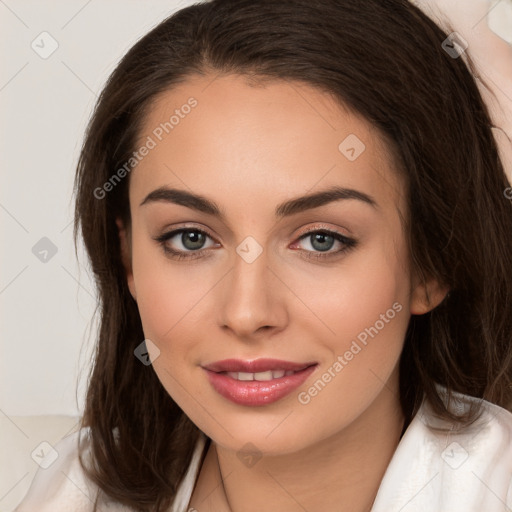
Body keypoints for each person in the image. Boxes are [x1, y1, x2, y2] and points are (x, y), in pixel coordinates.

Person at [15, 0, 512, 510]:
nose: (247, 313)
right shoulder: (75, 486)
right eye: (190, 238)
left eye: (322, 239)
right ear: (128, 258)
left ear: (431, 264)